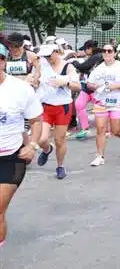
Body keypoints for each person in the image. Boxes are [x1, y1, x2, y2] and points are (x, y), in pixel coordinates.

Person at [0, 35, 43, 250]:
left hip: (10, 158)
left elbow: (36, 121)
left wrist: (32, 145)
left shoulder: (20, 89)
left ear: (4, 61)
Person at [35, 45, 81, 179]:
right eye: (45, 56)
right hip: (45, 106)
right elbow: (35, 79)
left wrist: (65, 83)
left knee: (59, 140)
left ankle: (60, 166)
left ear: (56, 52)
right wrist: (33, 82)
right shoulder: (42, 65)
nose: (48, 59)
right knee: (41, 138)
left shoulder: (68, 67)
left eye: (49, 55)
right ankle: (47, 149)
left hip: (62, 107)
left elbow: (78, 86)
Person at [87, 44, 120, 166]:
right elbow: (89, 84)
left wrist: (114, 86)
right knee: (100, 129)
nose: (107, 53)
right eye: (104, 51)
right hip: (101, 102)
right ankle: (99, 156)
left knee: (115, 130)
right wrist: (94, 86)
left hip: (116, 102)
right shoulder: (98, 68)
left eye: (109, 51)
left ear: (114, 53)